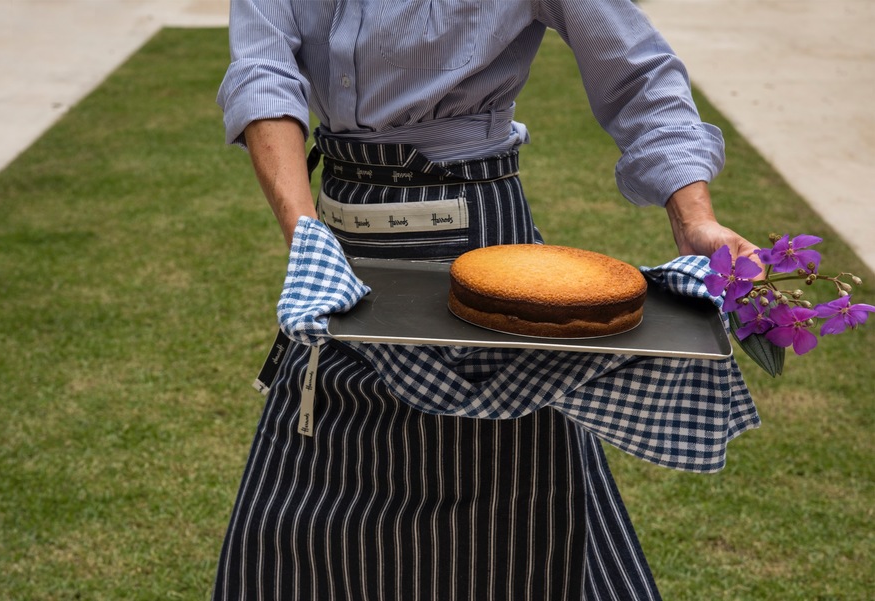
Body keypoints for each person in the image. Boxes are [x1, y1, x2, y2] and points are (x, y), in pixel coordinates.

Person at [211, 1, 762, 599]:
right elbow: (262, 76)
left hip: (486, 245)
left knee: (513, 518)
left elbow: (637, 72)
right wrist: (307, 238)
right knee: (297, 519)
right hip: (338, 240)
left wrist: (694, 221)